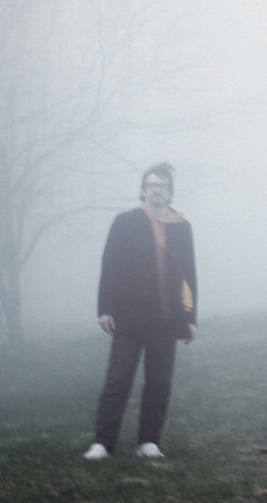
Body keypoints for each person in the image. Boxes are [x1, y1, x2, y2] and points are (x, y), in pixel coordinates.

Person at [84, 162, 198, 460]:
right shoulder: (125, 222)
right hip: (129, 317)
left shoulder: (182, 227)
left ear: (170, 191)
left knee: (159, 384)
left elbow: (189, 276)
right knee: (117, 380)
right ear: (143, 190)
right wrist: (105, 309)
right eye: (151, 185)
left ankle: (149, 442)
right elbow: (109, 267)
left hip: (167, 320)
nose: (156, 191)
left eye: (162, 185)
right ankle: (102, 443)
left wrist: (190, 318)